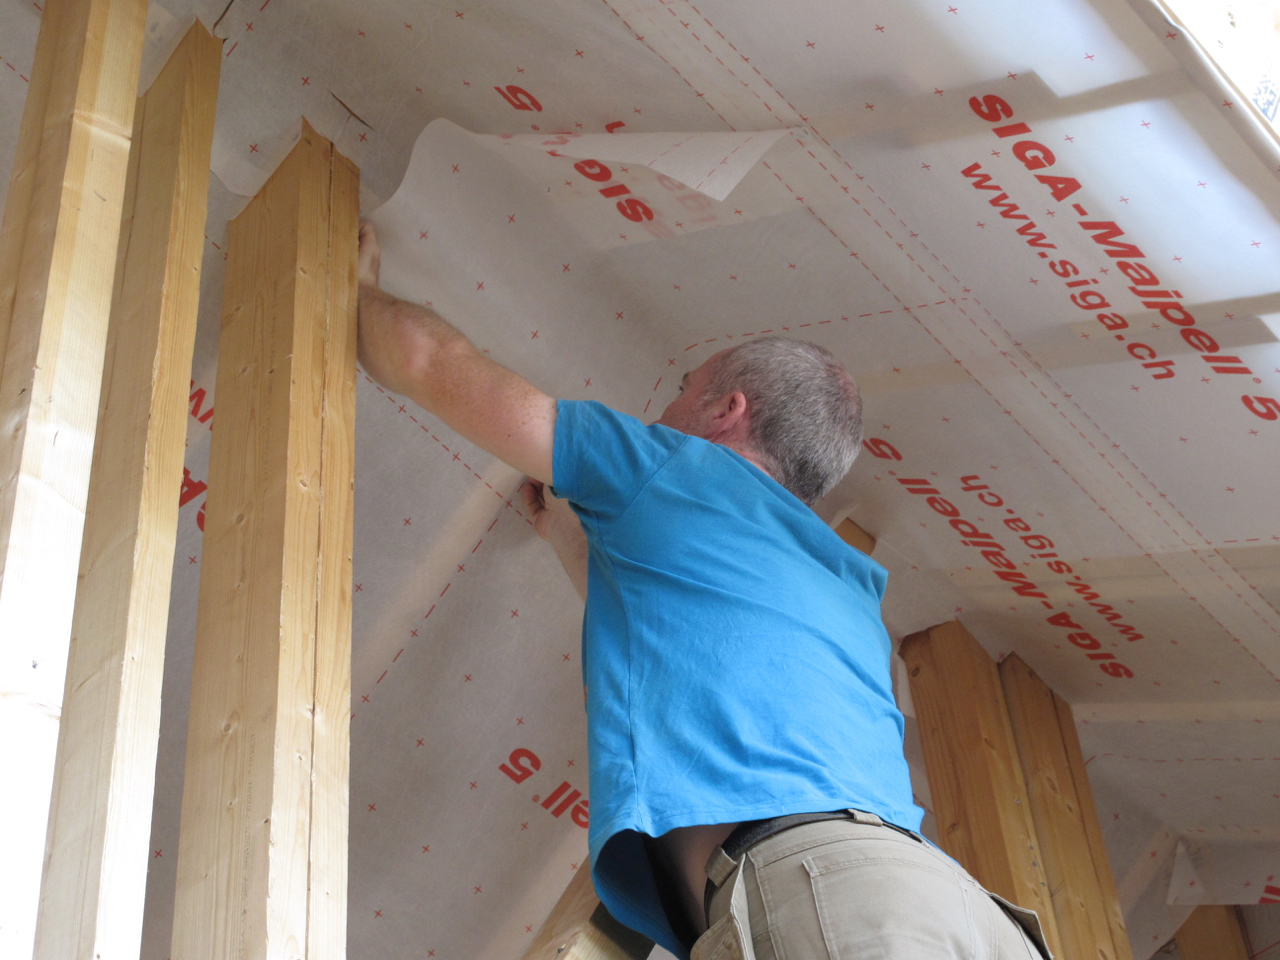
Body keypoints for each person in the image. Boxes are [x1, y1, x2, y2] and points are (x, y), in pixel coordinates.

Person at [357, 224, 1050, 960]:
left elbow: (429, 360)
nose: (666, 410)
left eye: (683, 389)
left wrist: (360, 289)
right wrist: (571, 538)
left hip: (835, 900)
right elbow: (680, 641)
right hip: (959, 911)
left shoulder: (670, 469)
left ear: (727, 412)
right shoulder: (849, 588)